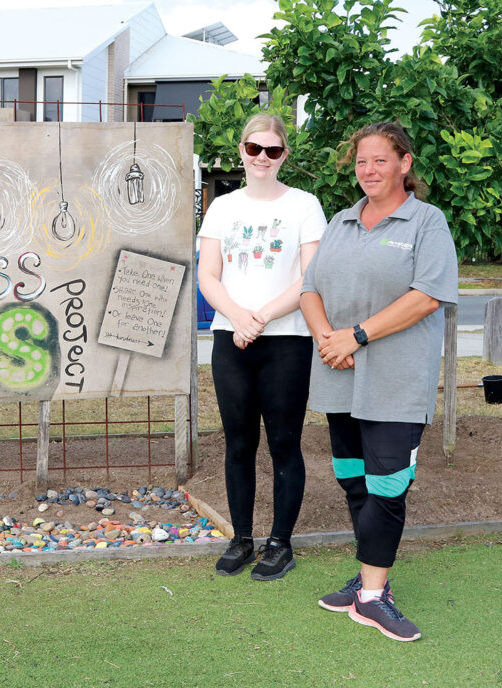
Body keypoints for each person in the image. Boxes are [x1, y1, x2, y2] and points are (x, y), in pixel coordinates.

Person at [299, 122, 458, 641]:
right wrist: (329, 339)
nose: (369, 170)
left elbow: (427, 296)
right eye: (362, 161)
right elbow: (309, 290)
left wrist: (357, 337)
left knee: (388, 486)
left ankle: (372, 595)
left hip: (395, 381)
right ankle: (370, 578)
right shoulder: (342, 221)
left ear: (405, 164)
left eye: (380, 160)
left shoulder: (425, 222)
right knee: (354, 480)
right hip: (338, 375)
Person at [197, 113, 326, 580]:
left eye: (272, 150)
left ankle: (280, 543)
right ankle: (242, 537)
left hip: (287, 341)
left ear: (284, 154)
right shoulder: (222, 207)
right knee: (238, 443)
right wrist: (236, 316)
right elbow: (208, 275)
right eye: (255, 149)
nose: (263, 158)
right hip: (231, 340)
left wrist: (262, 317)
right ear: (242, 152)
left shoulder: (305, 205)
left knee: (284, 442)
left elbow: (310, 278)